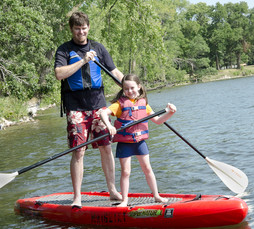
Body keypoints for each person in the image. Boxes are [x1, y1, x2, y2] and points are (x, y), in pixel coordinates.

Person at [54, 11, 123, 207]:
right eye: (77, 29)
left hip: (99, 106)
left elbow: (115, 71)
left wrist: (132, 87)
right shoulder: (65, 50)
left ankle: (112, 191)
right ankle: (77, 197)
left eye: (84, 28)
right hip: (76, 107)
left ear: (88, 28)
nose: (81, 32)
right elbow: (59, 74)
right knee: (79, 152)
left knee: (106, 147)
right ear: (71, 29)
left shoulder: (98, 48)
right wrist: (83, 60)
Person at [100, 74, 177, 207]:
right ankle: (124, 201)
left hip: (140, 143)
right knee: (126, 172)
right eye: (126, 89)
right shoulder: (119, 104)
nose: (129, 91)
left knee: (147, 169)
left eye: (132, 88)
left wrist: (170, 113)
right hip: (125, 144)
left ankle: (157, 196)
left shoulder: (144, 104)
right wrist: (109, 126)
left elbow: (158, 121)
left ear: (139, 87)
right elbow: (102, 113)